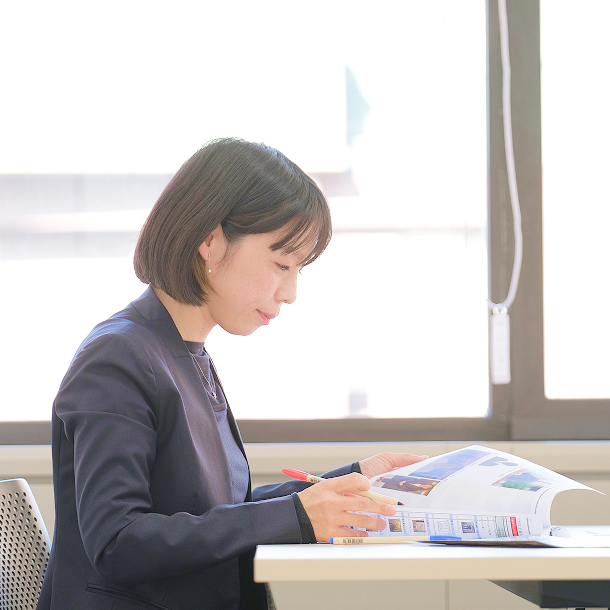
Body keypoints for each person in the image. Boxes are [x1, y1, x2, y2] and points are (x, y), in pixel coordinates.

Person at [37, 138, 426, 610]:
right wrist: (298, 515)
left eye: (298, 269)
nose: (290, 293)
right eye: (281, 264)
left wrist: (349, 481)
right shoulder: (118, 358)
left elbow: (215, 515)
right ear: (210, 241)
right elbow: (119, 541)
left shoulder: (183, 353)